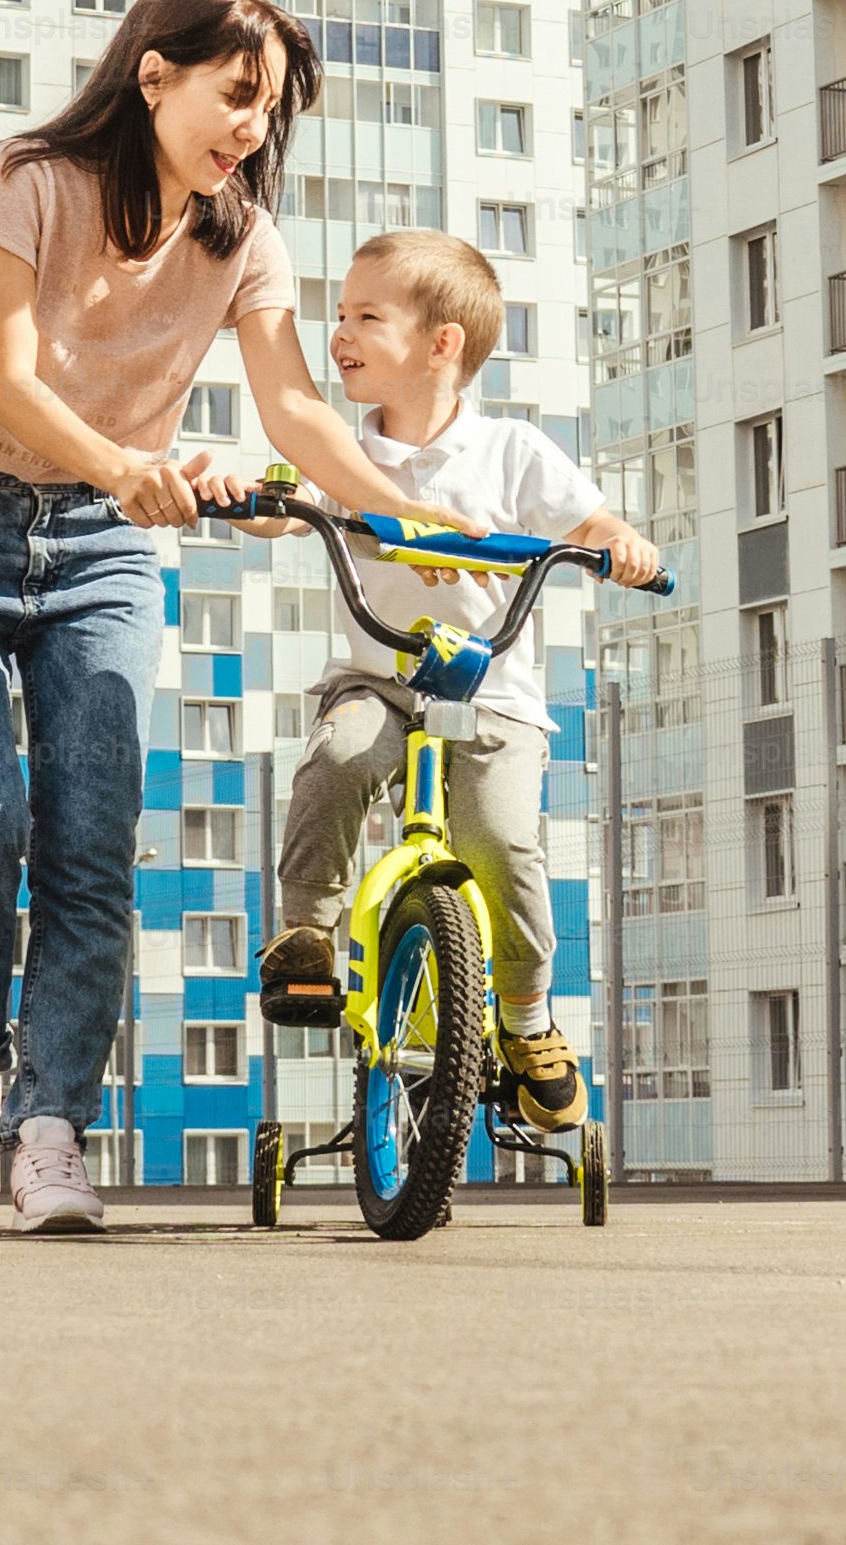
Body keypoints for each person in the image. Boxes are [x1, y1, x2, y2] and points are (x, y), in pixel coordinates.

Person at [0, 0, 484, 1235]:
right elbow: (2, 372)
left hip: (101, 549)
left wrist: (418, 514)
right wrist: (125, 463)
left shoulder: (237, 234)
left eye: (267, 111)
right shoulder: (29, 179)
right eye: (236, 97)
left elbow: (294, 409)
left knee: (92, 843)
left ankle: (51, 1129)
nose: (249, 130)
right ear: (153, 74)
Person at [236, 230, 664, 1132]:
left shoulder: (511, 452)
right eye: (338, 314)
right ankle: (307, 934)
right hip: (374, 678)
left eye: (366, 317)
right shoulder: (343, 454)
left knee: (502, 841)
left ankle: (524, 1013)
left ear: (442, 344)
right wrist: (263, 507)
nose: (339, 333)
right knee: (337, 758)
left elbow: (590, 520)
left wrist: (621, 544)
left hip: (488, 690)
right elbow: (287, 494)